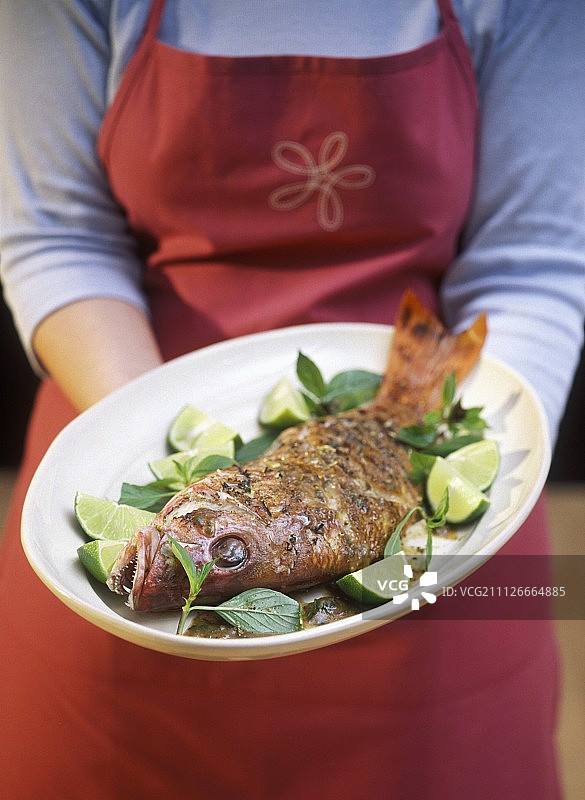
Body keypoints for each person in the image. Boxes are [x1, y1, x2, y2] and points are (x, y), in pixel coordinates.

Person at [1, 1, 584, 797]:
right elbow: (55, 236)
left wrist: (484, 460)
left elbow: (534, 261)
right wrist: (138, 427)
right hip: (114, 387)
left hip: (430, 506)